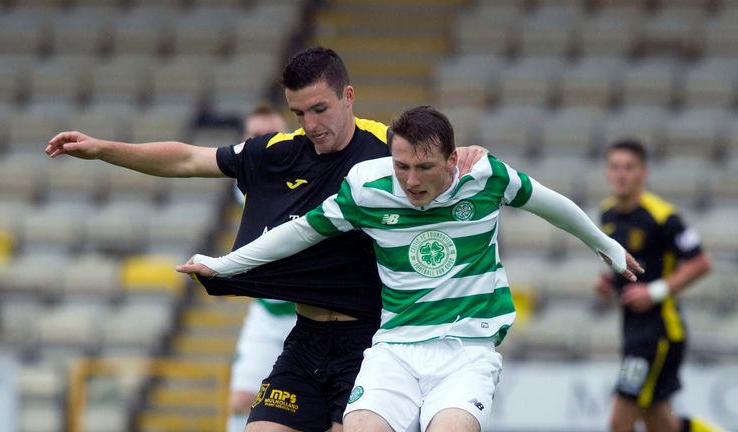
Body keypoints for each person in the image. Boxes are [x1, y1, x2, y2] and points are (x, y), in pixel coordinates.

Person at [46, 47, 484, 432]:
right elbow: (185, 158)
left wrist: (472, 156)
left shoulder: (387, 153)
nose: (311, 124)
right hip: (306, 337)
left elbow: (444, 169)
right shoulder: (279, 152)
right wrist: (103, 148)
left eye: (319, 109)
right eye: (299, 113)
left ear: (348, 97)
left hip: (372, 342)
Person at [177, 106, 642, 432]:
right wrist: (225, 264)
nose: (412, 181)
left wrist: (604, 245)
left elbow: (550, 204)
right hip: (395, 347)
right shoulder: (368, 187)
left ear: (453, 157)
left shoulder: (485, 176)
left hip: (467, 348)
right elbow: (301, 231)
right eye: (402, 166)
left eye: (424, 168)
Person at [595, 139, 719, 432]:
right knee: (659, 421)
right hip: (634, 331)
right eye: (615, 167)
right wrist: (609, 282)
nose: (621, 174)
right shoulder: (608, 214)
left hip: (659, 333)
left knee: (620, 420)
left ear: (643, 173)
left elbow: (701, 262)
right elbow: (633, 267)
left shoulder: (662, 216)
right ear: (607, 173)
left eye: (629, 167)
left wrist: (655, 292)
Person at [228, 104, 297, 432]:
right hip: (269, 312)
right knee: (242, 400)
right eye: (254, 137)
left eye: (270, 136)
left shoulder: (310, 178)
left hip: (312, 314)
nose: (262, 144)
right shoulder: (247, 183)